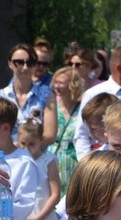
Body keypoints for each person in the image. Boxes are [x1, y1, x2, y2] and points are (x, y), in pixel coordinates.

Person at [73, 46, 121, 160]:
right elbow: (81, 134)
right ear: (119, 68)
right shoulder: (94, 94)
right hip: (103, 162)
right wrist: (88, 164)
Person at [0, 43, 57, 146]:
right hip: (4, 154)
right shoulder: (0, 97)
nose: (25, 67)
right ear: (10, 64)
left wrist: (25, 148)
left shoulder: (47, 96)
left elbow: (50, 135)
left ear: (35, 65)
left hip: (35, 154)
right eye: (19, 62)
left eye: (30, 63)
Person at [47, 66, 85, 196]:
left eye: (61, 83)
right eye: (55, 82)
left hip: (74, 162)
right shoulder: (51, 108)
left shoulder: (82, 108)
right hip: (52, 161)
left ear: (72, 85)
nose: (56, 86)